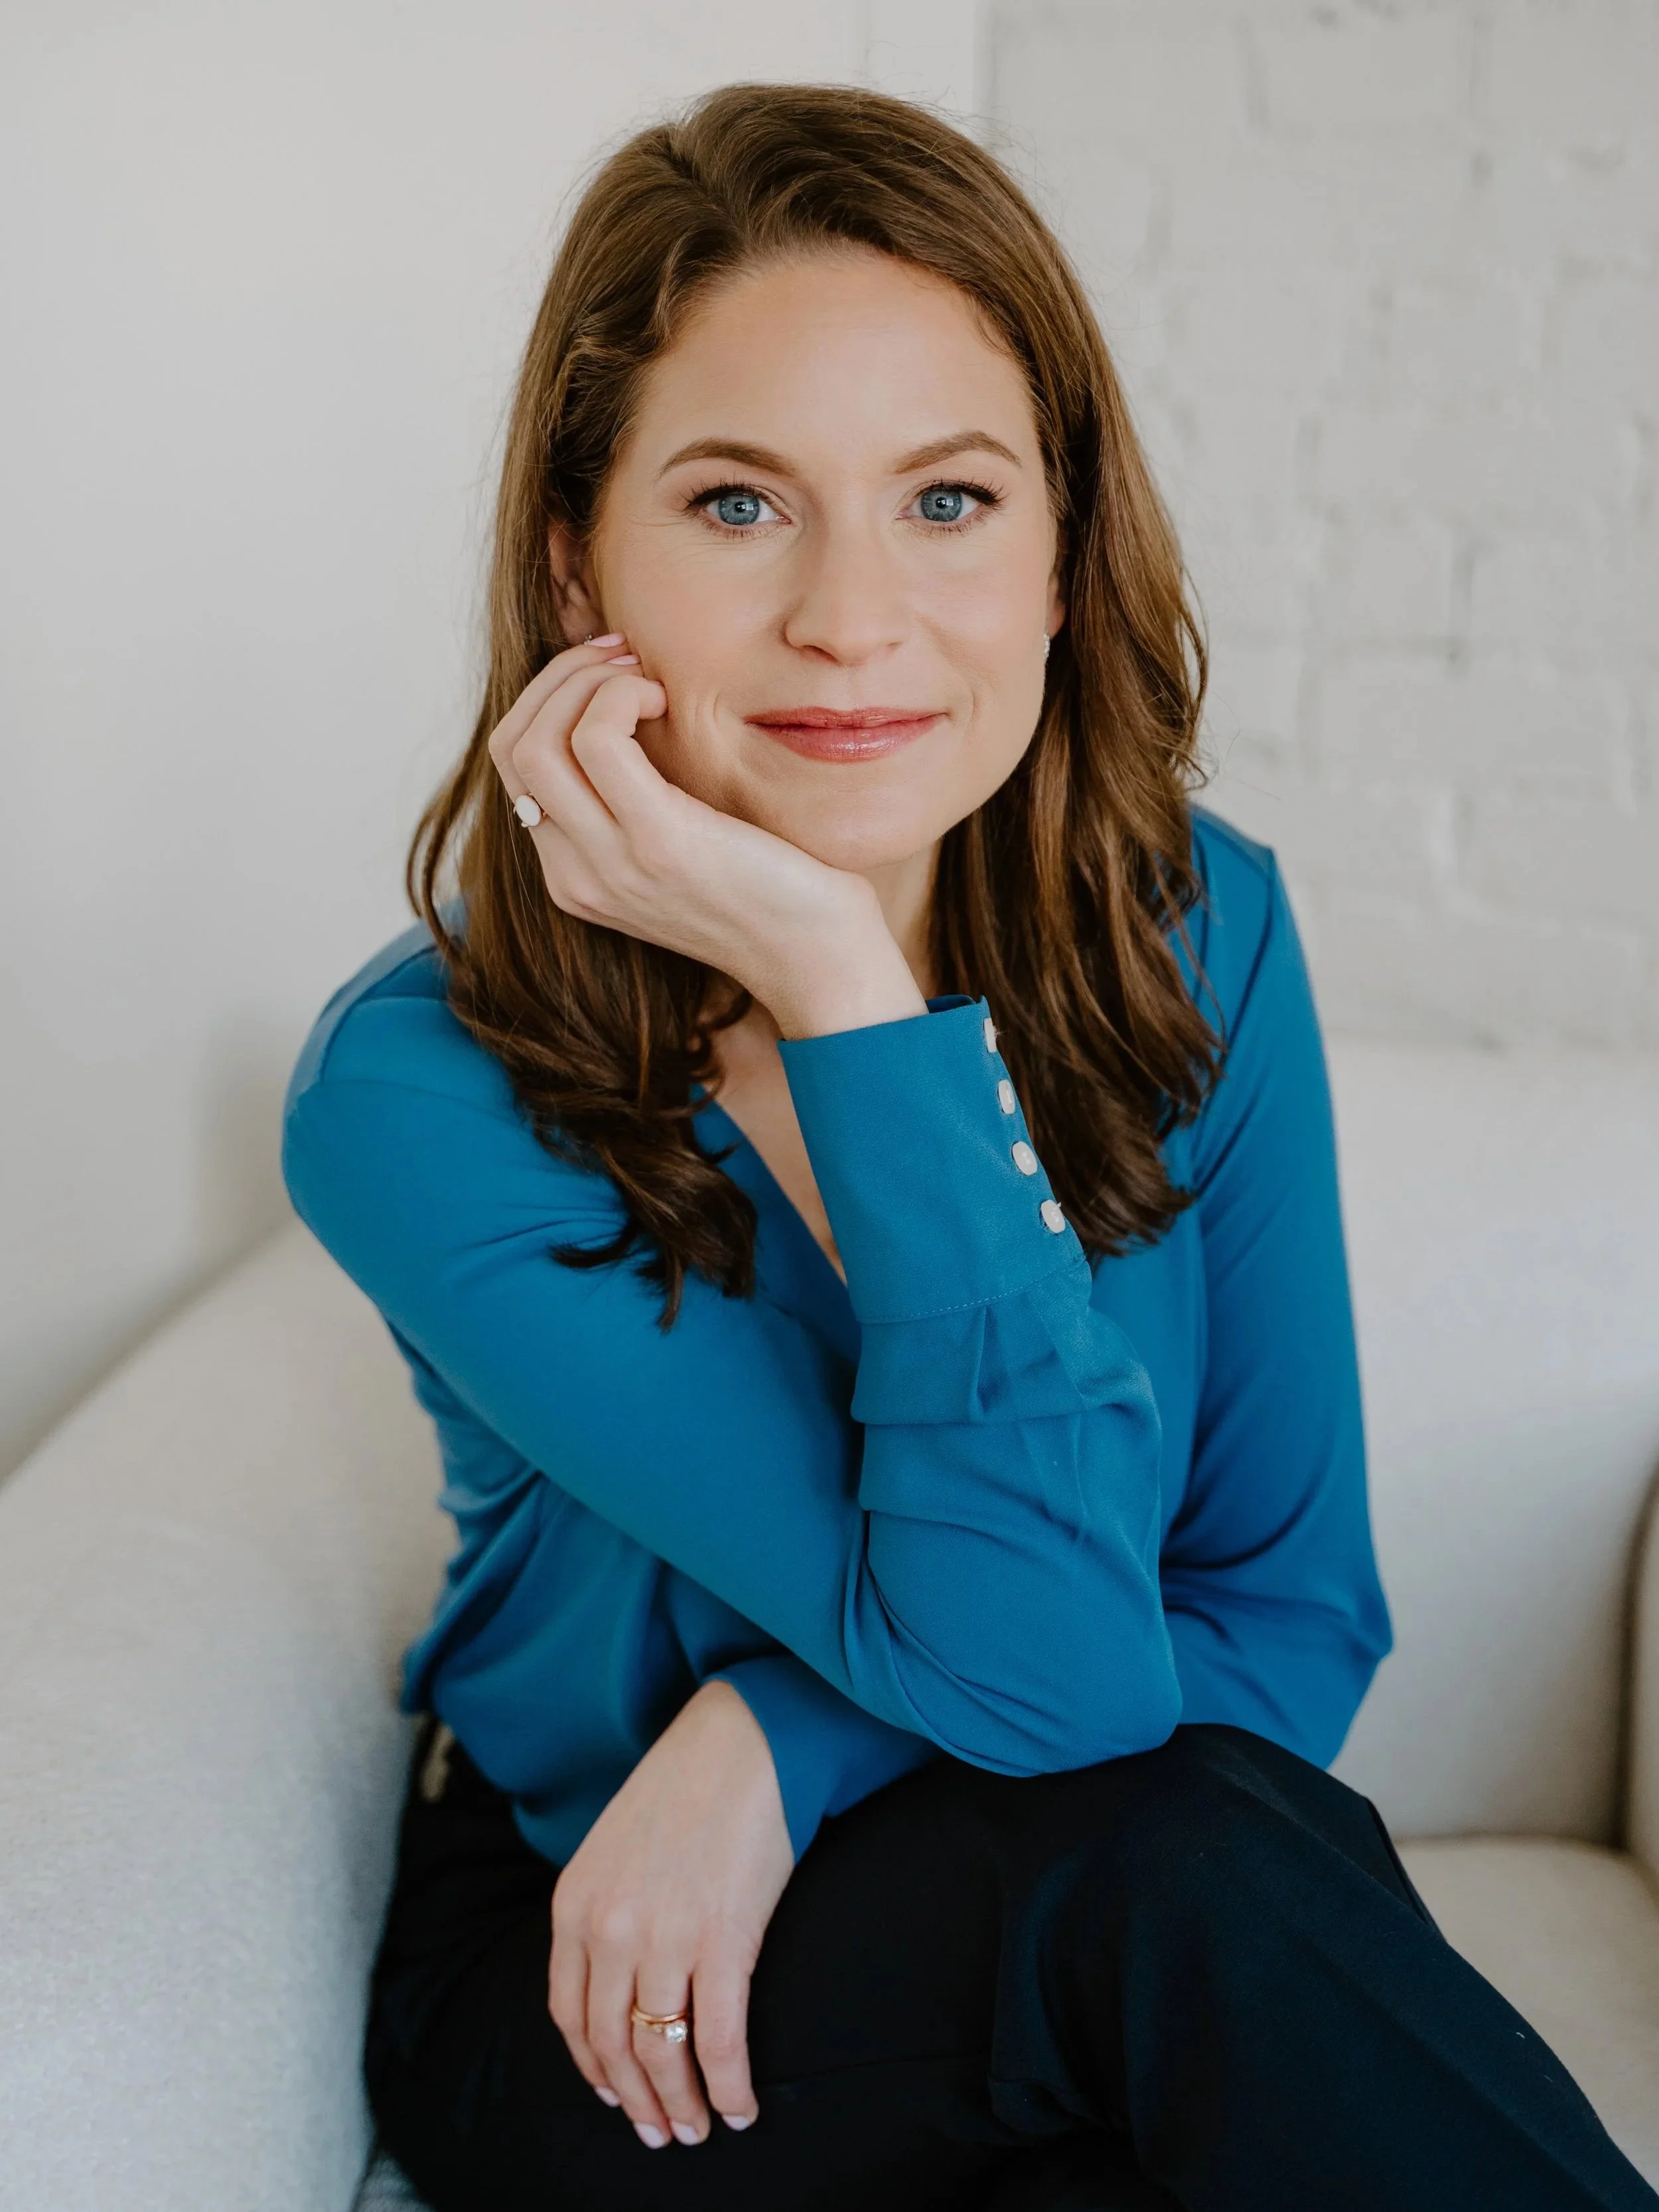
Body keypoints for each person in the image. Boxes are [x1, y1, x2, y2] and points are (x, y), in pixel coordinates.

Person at [281, 81, 1658, 2212]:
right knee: (1196, 1869)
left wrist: (774, 1737)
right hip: (617, 1986)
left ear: (1057, 547)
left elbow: (1279, 1614)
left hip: (1010, 1900)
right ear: (579, 562)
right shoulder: (422, 1091)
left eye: (946, 500)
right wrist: (853, 991)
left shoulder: (1199, 925)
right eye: (738, 506)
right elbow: (1070, 1676)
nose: (854, 616)